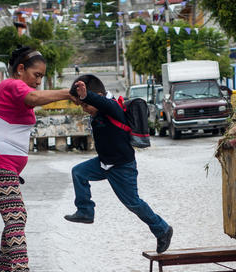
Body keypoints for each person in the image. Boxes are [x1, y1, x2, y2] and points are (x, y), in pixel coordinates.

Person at [0, 46, 74, 272]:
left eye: (42, 76)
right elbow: (34, 99)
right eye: (37, 75)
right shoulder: (12, 85)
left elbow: (31, 101)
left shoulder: (16, 89)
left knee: (15, 216)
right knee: (17, 215)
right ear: (21, 69)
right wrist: (68, 93)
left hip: (2, 163)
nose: (39, 81)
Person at [64, 74, 173, 254]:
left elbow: (104, 103)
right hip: (104, 163)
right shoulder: (98, 112)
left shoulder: (112, 107)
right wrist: (79, 97)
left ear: (97, 95)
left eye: (85, 104)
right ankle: (85, 211)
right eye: (82, 105)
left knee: (133, 203)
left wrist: (87, 97)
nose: (84, 109)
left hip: (122, 167)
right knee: (78, 172)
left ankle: (162, 229)